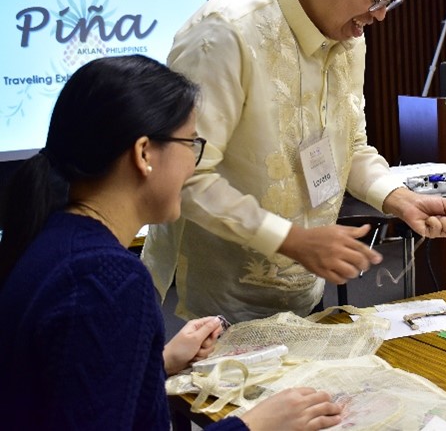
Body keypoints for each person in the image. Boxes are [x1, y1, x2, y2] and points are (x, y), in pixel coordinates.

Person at [141, 0, 446, 323]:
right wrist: (291, 239)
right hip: (207, 301)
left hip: (303, 286)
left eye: (390, 4)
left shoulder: (349, 34)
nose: (378, 16)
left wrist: (397, 198)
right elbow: (183, 175)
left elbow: (350, 146)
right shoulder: (225, 33)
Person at [0, 55, 342, 430]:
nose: (193, 165)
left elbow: (70, 389)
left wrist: (155, 362)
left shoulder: (58, 238)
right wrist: (254, 426)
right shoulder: (106, 280)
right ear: (144, 153)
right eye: (190, 143)